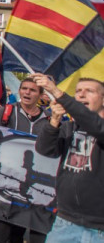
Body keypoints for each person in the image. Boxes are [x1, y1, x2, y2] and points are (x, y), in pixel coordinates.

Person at [34, 74, 104, 242]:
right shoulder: (70, 127)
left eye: (89, 91)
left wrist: (57, 92)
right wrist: (55, 120)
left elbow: (95, 125)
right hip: (65, 222)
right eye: (78, 91)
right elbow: (45, 150)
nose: (80, 95)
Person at [0, 77, 50, 241]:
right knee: (1, 233)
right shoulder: (7, 112)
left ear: (41, 95)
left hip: (32, 185)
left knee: (18, 234)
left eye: (32, 90)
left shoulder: (50, 120)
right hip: (6, 183)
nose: (27, 92)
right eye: (24, 88)